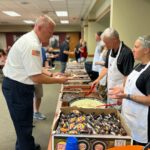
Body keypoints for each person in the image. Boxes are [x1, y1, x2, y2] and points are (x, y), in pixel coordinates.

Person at [2, 15, 68, 150]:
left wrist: (51, 73)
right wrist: (57, 80)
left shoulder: (33, 40)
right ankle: (26, 146)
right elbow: (36, 77)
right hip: (17, 87)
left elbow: (35, 66)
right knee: (23, 124)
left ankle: (25, 144)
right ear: (39, 28)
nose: (51, 36)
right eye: (49, 32)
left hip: (18, 85)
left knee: (23, 122)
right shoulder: (31, 44)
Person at [109, 35, 150, 146]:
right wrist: (121, 90)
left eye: (136, 47)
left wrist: (126, 96)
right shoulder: (138, 66)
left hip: (141, 123)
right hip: (128, 118)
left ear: (146, 50)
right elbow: (135, 87)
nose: (133, 49)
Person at [92, 28, 134, 109]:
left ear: (114, 40)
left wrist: (123, 94)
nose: (105, 45)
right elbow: (106, 67)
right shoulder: (110, 51)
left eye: (106, 42)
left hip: (120, 93)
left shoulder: (126, 53)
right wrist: (98, 79)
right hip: (110, 89)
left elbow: (127, 76)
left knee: (118, 113)